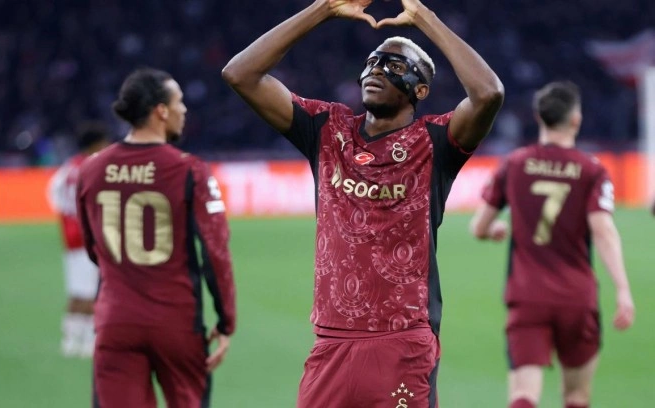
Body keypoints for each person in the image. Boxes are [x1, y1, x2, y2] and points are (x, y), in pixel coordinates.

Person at [222, 0, 504, 406]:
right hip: (330, 343)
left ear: (421, 90)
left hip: (402, 341)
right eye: (372, 62)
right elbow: (240, 74)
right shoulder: (327, 129)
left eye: (395, 65)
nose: (377, 70)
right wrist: (323, 8)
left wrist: (423, 18)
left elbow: (488, 93)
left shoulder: (435, 143)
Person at [76, 68, 236, 408]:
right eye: (179, 102)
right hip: (176, 323)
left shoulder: (90, 170)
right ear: (161, 111)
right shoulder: (190, 169)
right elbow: (216, 251)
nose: (184, 110)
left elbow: (93, 249)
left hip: (116, 321)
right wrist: (226, 321)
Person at [469, 81, 636, 408]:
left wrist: (494, 231)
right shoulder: (591, 170)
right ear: (576, 119)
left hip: (527, 295)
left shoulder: (514, 163)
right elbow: (602, 229)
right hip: (577, 296)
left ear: (538, 117)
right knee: (576, 396)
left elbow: (478, 227)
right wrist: (622, 289)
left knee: (523, 396)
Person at [48, 122, 109, 358]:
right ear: (96, 144)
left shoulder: (68, 168)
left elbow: (54, 193)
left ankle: (70, 338)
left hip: (71, 237)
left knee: (77, 290)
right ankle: (86, 341)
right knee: (92, 291)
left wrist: (67, 215)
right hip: (88, 237)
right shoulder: (94, 167)